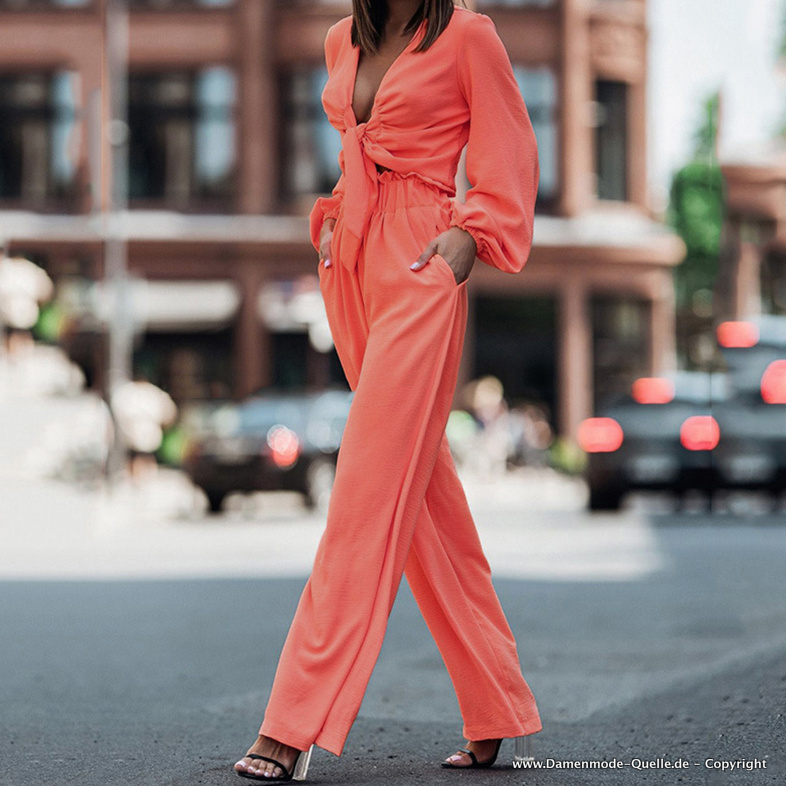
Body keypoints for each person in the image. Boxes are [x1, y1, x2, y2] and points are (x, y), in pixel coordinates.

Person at [234, 0, 541, 779]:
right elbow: (352, 153)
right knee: (424, 495)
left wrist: (468, 239)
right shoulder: (343, 38)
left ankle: (290, 723)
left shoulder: (468, 35)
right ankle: (496, 703)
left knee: (364, 490)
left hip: (419, 266)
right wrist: (334, 227)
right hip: (353, 264)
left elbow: (508, 150)